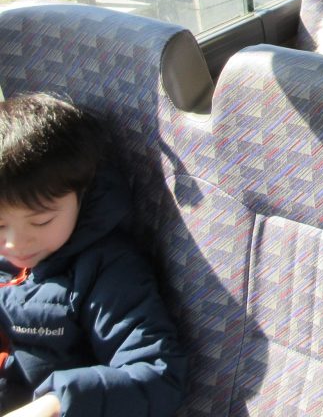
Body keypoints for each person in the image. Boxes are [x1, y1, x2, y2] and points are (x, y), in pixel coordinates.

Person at [0, 93, 187, 417]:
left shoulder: (106, 269)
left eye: (41, 221)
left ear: (82, 195)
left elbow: (158, 375)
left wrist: (58, 402)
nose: (16, 244)